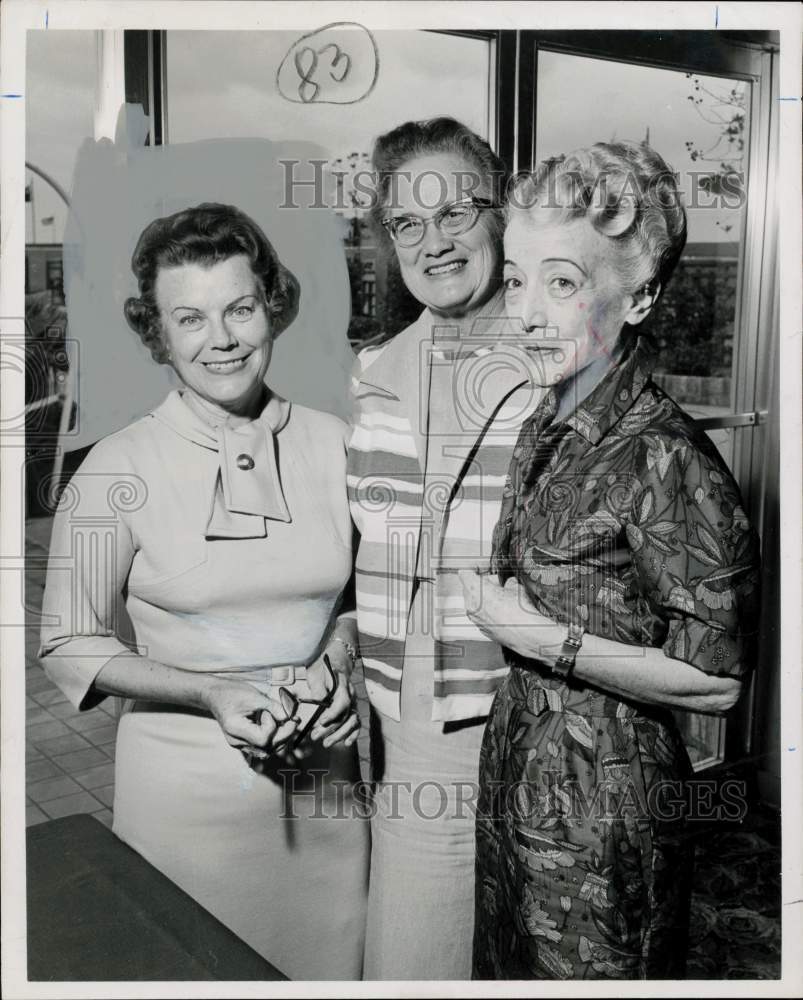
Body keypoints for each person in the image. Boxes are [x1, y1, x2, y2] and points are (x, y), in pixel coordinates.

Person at [39, 203, 369, 981]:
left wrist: (346, 645)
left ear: (272, 308)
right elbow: (68, 641)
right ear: (156, 333)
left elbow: (372, 594)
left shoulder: (336, 443)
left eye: (239, 309)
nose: (220, 339)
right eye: (189, 318)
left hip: (328, 793)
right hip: (186, 806)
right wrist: (211, 692)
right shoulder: (113, 468)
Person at [460, 142, 761, 979]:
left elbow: (716, 681)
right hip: (517, 780)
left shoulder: (668, 457)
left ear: (640, 296)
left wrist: (540, 637)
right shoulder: (544, 421)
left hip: (606, 820)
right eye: (515, 280)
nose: (524, 311)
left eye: (561, 283)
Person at [347, 117, 546, 979]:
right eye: (406, 224)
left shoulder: (559, 362)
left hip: (534, 720)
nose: (432, 242)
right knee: (413, 958)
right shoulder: (372, 374)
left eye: (454, 212)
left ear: (499, 213)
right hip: (408, 722)